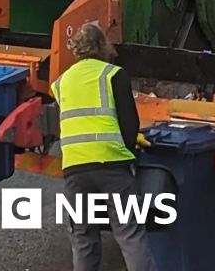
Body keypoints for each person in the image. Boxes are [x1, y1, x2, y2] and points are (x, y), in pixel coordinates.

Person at [50, 23, 157, 271]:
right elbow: (130, 122)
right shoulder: (113, 74)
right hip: (112, 168)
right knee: (130, 234)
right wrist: (130, 150)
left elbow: (64, 125)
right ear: (102, 46)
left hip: (75, 170)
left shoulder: (61, 82)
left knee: (83, 237)